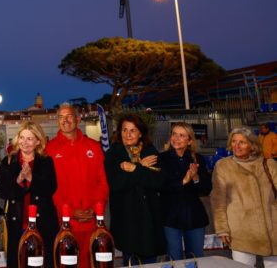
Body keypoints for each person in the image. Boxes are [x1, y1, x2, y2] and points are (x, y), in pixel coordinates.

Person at [45, 104, 108, 268]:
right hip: (63, 222)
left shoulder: (93, 147)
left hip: (91, 220)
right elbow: (50, 188)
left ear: (78, 119)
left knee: (93, 263)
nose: (65, 120)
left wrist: (95, 208)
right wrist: (70, 212)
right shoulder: (49, 149)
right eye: (60, 117)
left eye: (69, 116)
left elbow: (102, 182)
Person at [211, 127, 277, 267]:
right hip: (241, 233)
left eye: (242, 142)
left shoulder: (269, 164)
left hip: (272, 231)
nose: (237, 146)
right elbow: (218, 201)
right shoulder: (223, 166)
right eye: (234, 142)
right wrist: (222, 229)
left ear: (252, 145)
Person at [104, 114, 165, 265]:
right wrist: (141, 168)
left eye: (133, 130)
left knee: (151, 262)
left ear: (140, 133)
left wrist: (133, 168)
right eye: (124, 130)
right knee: (130, 262)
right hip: (126, 219)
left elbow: (157, 181)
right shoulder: (113, 154)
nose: (128, 134)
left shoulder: (150, 152)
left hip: (149, 219)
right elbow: (116, 183)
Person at [0, 121, 58, 268]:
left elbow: (51, 188)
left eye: (29, 138)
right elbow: (1, 191)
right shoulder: (9, 161)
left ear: (38, 141)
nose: (24, 142)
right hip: (17, 224)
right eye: (22, 137)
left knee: (43, 262)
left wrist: (31, 178)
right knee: (18, 262)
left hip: (43, 224)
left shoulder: (46, 161)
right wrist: (19, 179)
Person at [158, 122, 211, 260]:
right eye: (174, 134)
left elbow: (206, 189)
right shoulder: (161, 159)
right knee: (173, 260)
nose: (176, 138)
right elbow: (161, 186)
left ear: (190, 140)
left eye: (182, 135)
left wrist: (196, 177)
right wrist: (183, 181)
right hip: (170, 217)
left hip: (194, 217)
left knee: (195, 259)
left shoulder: (198, 158)